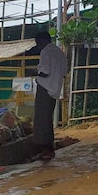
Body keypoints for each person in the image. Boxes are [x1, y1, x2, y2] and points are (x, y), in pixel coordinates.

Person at [32, 31, 67, 161]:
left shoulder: (46, 52)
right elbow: (63, 72)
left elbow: (45, 71)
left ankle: (45, 149)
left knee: (42, 119)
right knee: (47, 117)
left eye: (38, 43)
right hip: (55, 88)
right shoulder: (59, 52)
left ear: (42, 41)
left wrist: (36, 71)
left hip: (45, 88)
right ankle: (49, 147)